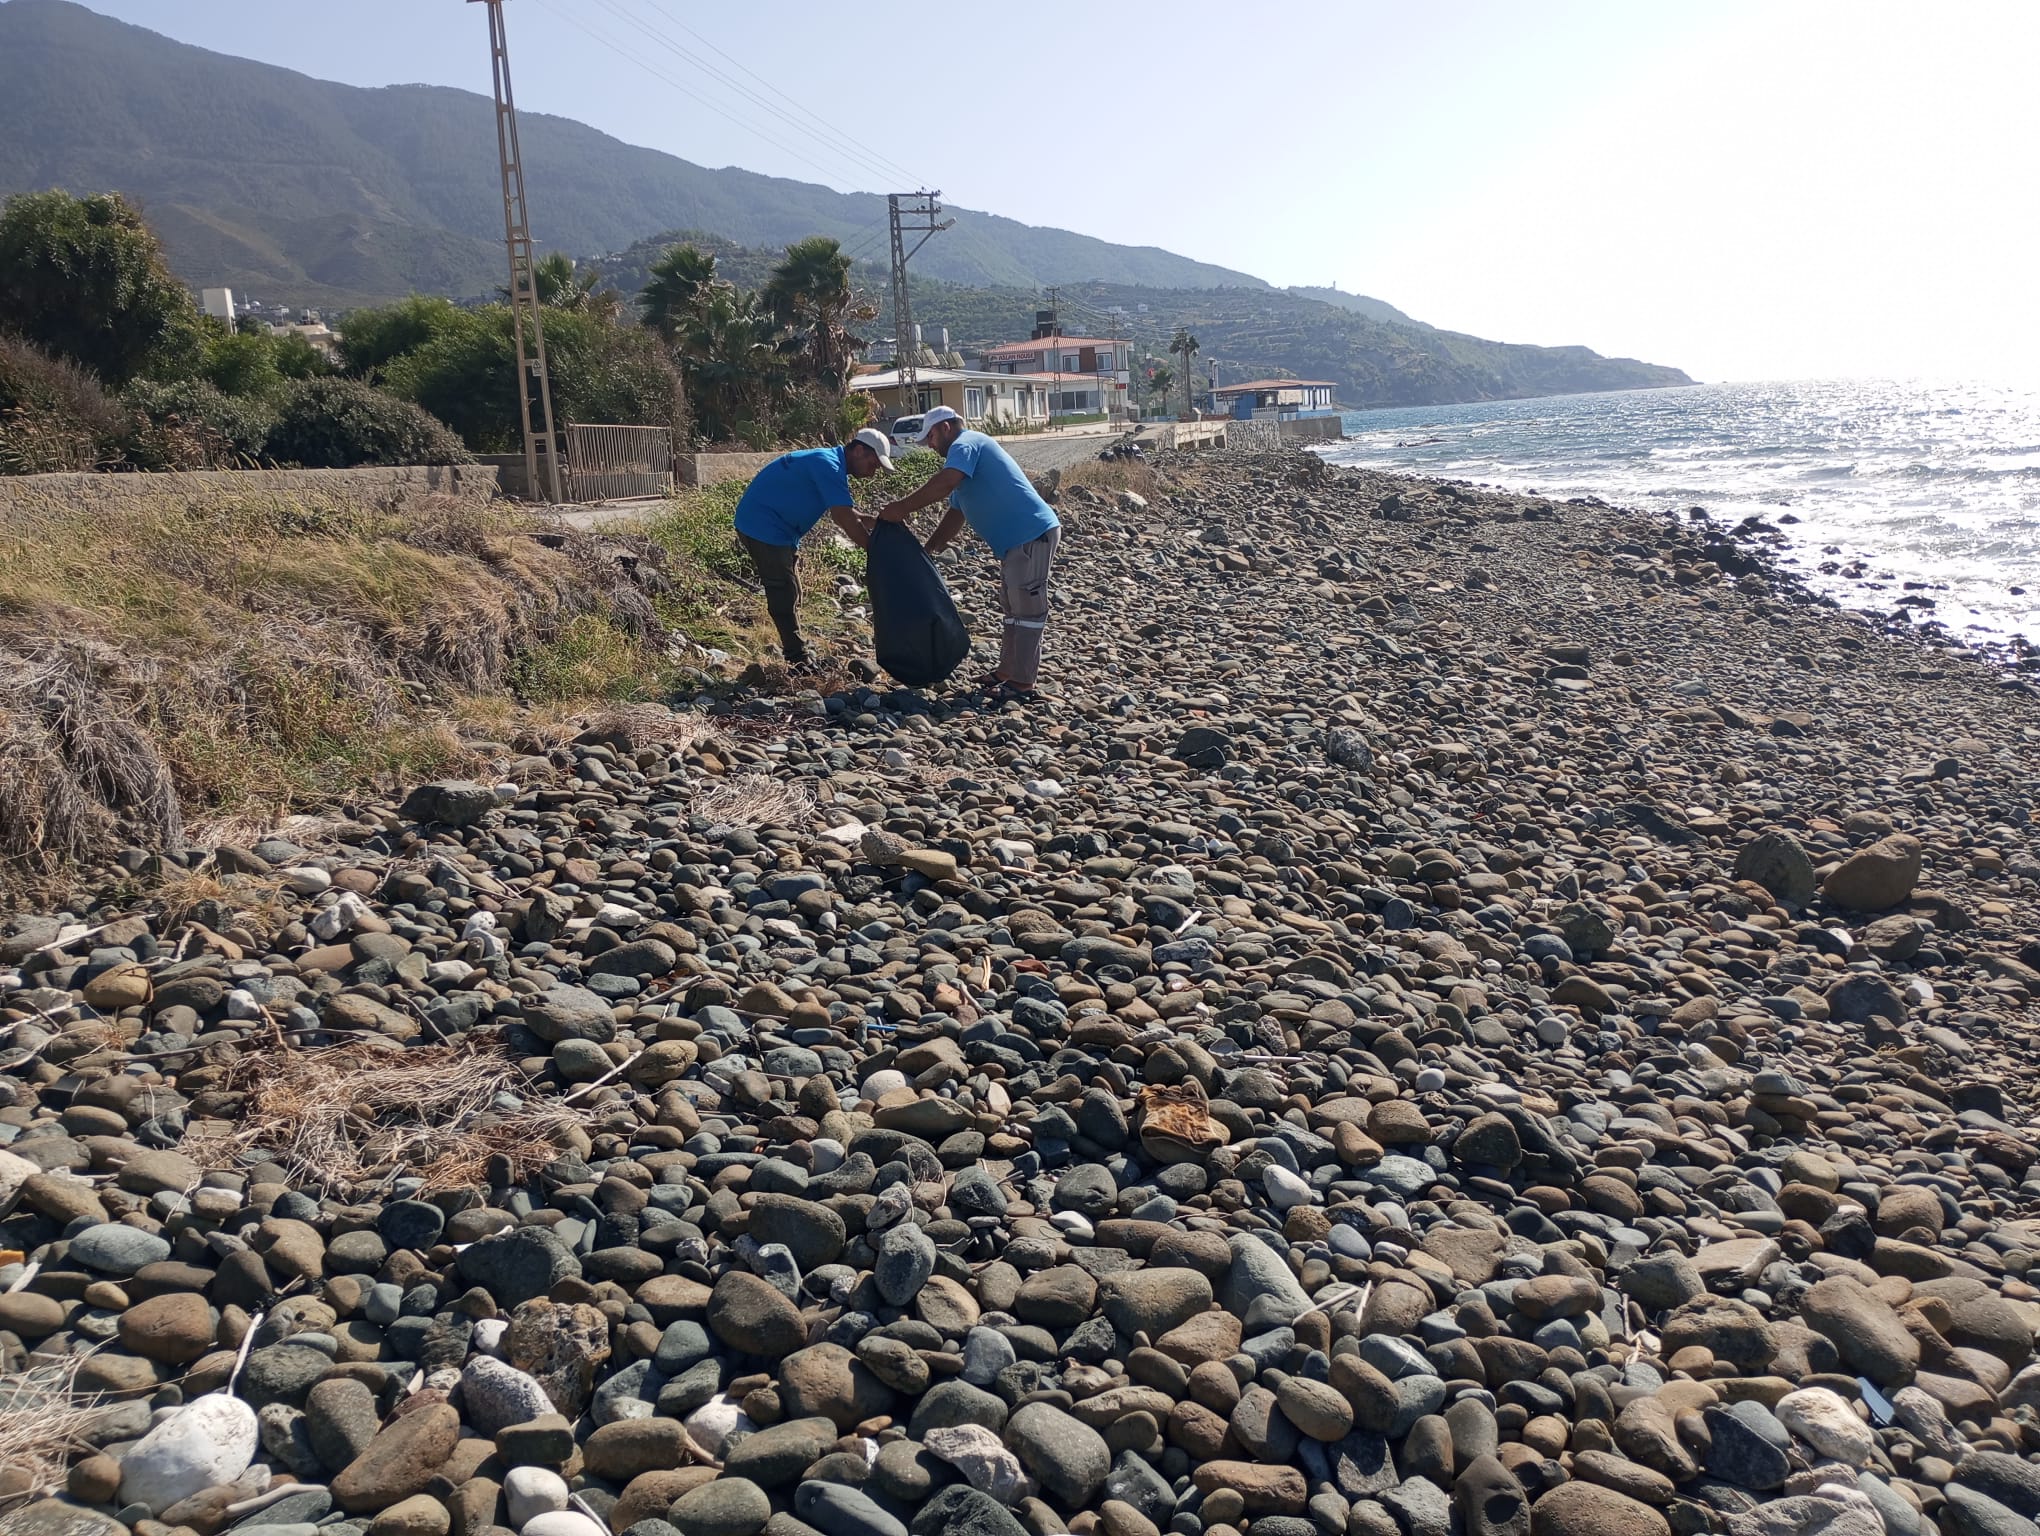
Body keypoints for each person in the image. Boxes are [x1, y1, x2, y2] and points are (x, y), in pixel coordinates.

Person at [876, 405, 1062, 700]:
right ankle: (1006, 672)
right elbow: (955, 514)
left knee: (1027, 611)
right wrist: (928, 550)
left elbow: (946, 481)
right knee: (1012, 608)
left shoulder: (967, 443)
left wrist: (902, 508)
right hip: (1015, 543)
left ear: (947, 427)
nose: (931, 445)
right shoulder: (964, 464)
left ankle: (1022, 683)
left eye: (932, 437)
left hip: (1031, 533)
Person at [732, 427, 893, 669]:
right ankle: (797, 657)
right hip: (763, 526)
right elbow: (842, 517)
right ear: (859, 450)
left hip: (779, 530)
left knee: (791, 589)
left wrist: (874, 522)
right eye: (874, 463)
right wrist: (877, 551)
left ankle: (797, 646)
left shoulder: (830, 463)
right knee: (783, 591)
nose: (874, 471)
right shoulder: (827, 464)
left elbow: (846, 511)